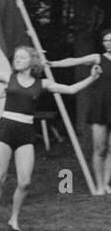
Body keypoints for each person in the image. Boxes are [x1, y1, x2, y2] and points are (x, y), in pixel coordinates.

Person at [0, 45, 101, 231]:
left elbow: (70, 90)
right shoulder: (8, 77)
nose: (17, 60)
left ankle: (14, 218)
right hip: (5, 129)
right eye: (16, 57)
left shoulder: (42, 83)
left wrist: (92, 77)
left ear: (32, 61)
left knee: (25, 182)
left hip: (25, 132)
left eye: (22, 57)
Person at [47, 30, 111, 195]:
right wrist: (52, 64)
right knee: (100, 148)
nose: (108, 43)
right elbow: (74, 61)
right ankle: (98, 186)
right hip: (100, 106)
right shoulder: (98, 58)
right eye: (105, 40)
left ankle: (106, 183)